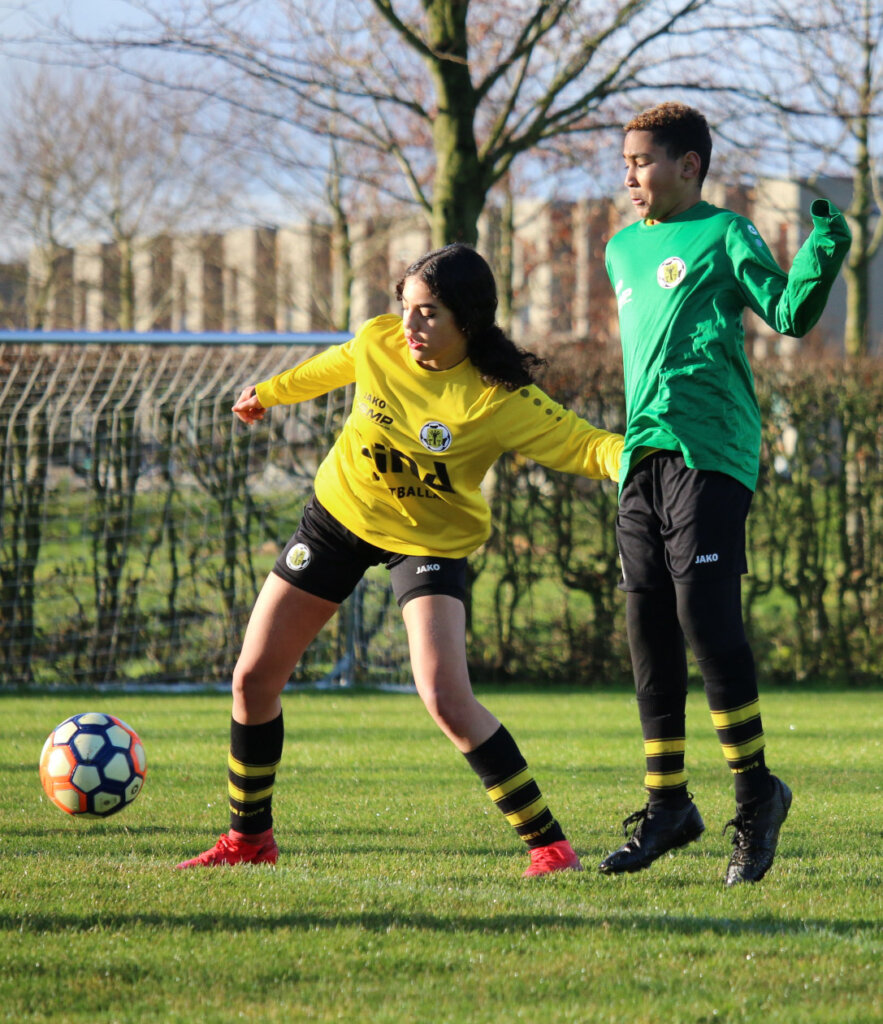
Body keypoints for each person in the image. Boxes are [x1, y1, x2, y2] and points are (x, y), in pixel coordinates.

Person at [177, 242, 623, 877]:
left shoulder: (500, 399)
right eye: (406, 306)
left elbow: (586, 445)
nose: (409, 324)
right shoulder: (380, 341)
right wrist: (268, 394)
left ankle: (550, 849)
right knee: (252, 679)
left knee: (444, 696)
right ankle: (248, 841)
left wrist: (644, 457)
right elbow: (331, 366)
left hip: (428, 543)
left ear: (468, 319)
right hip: (338, 518)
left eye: (428, 312)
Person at [600, 102, 851, 885]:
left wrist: (825, 244)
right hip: (641, 457)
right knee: (647, 627)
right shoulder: (618, 250)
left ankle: (754, 797)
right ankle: (667, 806)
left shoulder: (724, 233)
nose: (630, 175)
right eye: (624, 163)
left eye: (642, 161)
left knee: (703, 618)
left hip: (712, 451)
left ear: (688, 165)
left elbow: (789, 313)